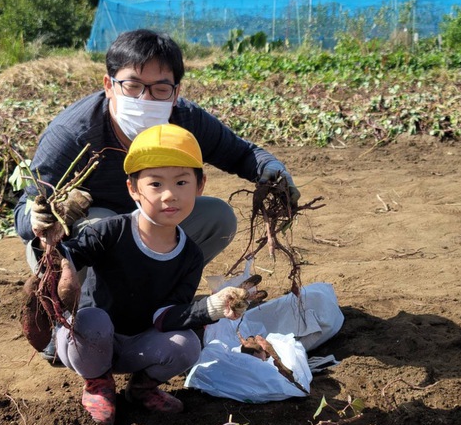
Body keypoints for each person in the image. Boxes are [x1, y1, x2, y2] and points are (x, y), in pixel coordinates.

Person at [15, 28, 300, 360]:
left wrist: (273, 171)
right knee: (101, 222)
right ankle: (76, 323)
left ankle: (158, 301)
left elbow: (241, 153)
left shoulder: (183, 121)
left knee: (217, 218)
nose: (146, 100)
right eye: (133, 86)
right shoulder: (73, 134)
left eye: (160, 88)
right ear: (109, 85)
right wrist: (39, 215)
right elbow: (25, 214)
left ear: (175, 92)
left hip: (146, 229)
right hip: (87, 242)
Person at [28, 124, 254, 425]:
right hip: (88, 343)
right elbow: (69, 257)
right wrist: (50, 239)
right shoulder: (110, 230)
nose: (170, 195)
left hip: (139, 347)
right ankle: (98, 384)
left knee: (187, 344)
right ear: (133, 189)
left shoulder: (190, 256)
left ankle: (142, 387)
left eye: (182, 182)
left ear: (200, 186)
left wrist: (212, 307)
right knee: (93, 321)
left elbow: (167, 315)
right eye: (156, 184)